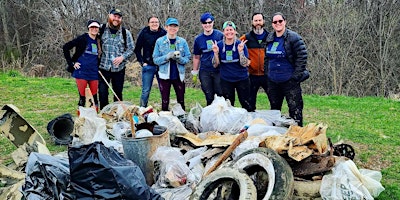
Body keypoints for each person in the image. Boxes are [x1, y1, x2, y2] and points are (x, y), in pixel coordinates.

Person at [264, 12, 308, 126]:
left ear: (285, 22)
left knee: (295, 110)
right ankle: (276, 135)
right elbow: (266, 58)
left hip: (290, 82)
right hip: (273, 81)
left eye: (280, 21)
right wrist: (267, 73)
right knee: (274, 111)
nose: (278, 23)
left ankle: (297, 135)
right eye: (275, 22)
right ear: (272, 24)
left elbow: (302, 57)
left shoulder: (293, 37)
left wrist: (295, 77)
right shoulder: (270, 38)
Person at [212, 21, 253, 112]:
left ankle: (248, 123)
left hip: (242, 79)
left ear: (235, 31)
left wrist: (240, 52)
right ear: (223, 32)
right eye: (227, 30)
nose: (229, 32)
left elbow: (245, 63)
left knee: (246, 103)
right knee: (228, 106)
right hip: (226, 80)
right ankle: (230, 124)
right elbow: (215, 64)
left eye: (231, 30)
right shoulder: (218, 45)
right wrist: (215, 53)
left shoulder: (241, 44)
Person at [98, 8, 135, 110]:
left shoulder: (125, 32)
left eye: (119, 17)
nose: (116, 19)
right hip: (103, 68)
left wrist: (122, 57)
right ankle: (104, 115)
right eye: (114, 16)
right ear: (109, 16)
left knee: (118, 94)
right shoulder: (100, 29)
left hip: (119, 69)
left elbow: (131, 48)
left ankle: (117, 115)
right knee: (102, 93)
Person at [63, 19, 101, 113]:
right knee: (82, 97)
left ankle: (94, 117)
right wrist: (71, 63)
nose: (94, 29)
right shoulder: (82, 39)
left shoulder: (99, 41)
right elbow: (66, 47)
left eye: (96, 27)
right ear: (88, 28)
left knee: (94, 98)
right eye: (92, 27)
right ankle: (80, 119)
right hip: (81, 72)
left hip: (94, 72)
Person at [153, 18, 191, 111]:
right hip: (164, 76)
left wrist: (179, 59)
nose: (173, 28)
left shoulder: (182, 42)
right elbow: (155, 60)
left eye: (175, 26)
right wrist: (167, 57)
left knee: (181, 100)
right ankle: (165, 119)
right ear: (166, 27)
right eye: (170, 26)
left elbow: (187, 58)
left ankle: (182, 118)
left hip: (179, 76)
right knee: (165, 101)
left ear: (178, 28)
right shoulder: (159, 41)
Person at [134, 15, 167, 107]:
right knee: (146, 90)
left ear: (159, 23)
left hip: (161, 66)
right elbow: (137, 49)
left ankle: (165, 109)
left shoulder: (164, 33)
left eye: (156, 22)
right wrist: (142, 62)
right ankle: (142, 109)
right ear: (148, 24)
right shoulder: (144, 33)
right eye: (152, 22)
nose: (154, 24)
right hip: (148, 65)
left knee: (164, 89)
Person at [192, 12, 224, 106]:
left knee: (220, 94)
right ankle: (210, 116)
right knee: (209, 95)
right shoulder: (198, 39)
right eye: (205, 23)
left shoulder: (220, 36)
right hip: (205, 71)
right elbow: (197, 56)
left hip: (219, 70)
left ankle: (221, 116)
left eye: (209, 22)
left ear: (213, 22)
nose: (207, 25)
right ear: (202, 24)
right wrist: (195, 71)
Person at [239, 13, 269, 111]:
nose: (258, 23)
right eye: (255, 21)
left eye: (260, 20)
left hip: (267, 74)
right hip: (251, 75)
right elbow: (235, 48)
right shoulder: (246, 38)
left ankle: (273, 123)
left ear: (263, 21)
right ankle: (250, 123)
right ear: (252, 22)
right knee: (249, 103)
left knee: (274, 100)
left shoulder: (270, 37)